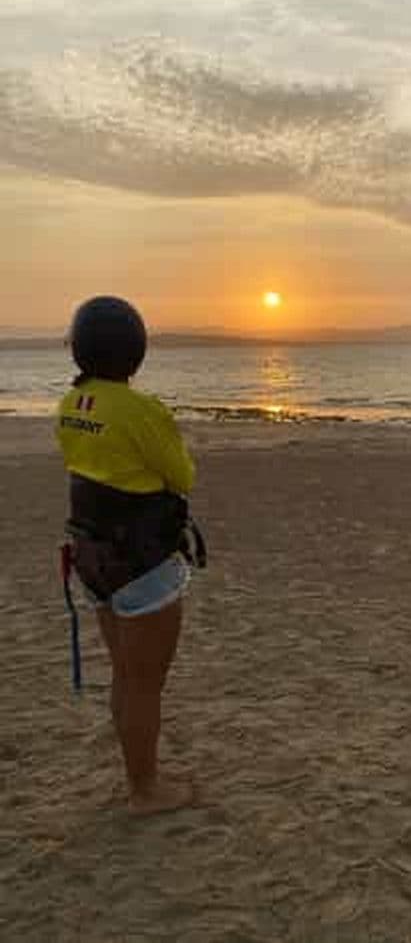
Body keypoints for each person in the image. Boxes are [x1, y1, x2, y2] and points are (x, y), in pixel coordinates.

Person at [56, 296, 199, 816]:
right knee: (143, 684)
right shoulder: (142, 410)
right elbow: (182, 476)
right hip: (142, 561)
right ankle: (144, 789)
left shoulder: (71, 405)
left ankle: (140, 776)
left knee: (126, 676)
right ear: (135, 351)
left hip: (93, 560)